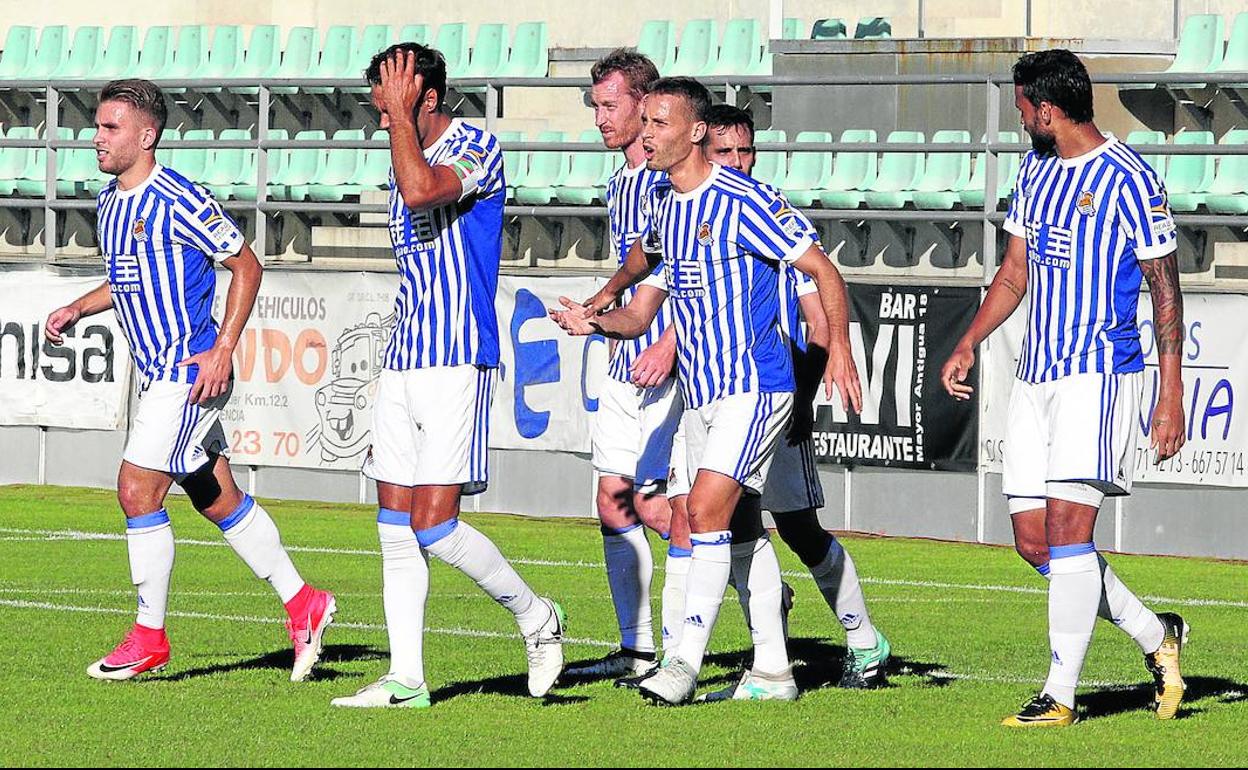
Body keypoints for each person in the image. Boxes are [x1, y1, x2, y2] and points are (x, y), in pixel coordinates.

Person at [551, 77, 862, 705]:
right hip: (703, 393)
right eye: (645, 124)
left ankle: (682, 664)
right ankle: (774, 670)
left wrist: (840, 353)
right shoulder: (665, 205)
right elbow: (642, 301)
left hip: (757, 386)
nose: (646, 134)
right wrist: (598, 315)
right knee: (742, 529)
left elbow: (821, 268)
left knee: (705, 515)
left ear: (694, 131)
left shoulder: (744, 201)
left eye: (658, 123)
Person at [44, 79, 335, 683]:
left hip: (188, 369)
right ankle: (304, 602)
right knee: (216, 497)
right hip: (157, 375)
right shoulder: (109, 201)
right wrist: (78, 307)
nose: (95, 138)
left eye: (109, 128)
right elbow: (128, 280)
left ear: (146, 136)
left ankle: (149, 634)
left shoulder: (178, 197)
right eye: (97, 126)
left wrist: (224, 348)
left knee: (135, 490)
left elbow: (245, 264)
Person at [940, 49, 1188, 726]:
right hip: (1034, 378)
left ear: (1047, 110)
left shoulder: (1130, 179)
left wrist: (1171, 393)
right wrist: (970, 339)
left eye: (1022, 107)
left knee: (1069, 532)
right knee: (1034, 541)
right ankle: (1157, 637)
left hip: (1098, 375)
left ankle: (1059, 696)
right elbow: (1016, 272)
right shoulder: (1035, 168)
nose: (1020, 117)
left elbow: (1166, 290)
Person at [331, 44, 564, 709]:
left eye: (391, 100)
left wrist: (402, 120)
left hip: (456, 355)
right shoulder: (400, 144)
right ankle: (407, 679)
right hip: (404, 356)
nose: (381, 115)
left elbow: (423, 189)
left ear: (426, 96)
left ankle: (535, 615)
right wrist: (400, 122)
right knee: (393, 523)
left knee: (436, 525)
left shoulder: (478, 146)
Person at [694, 105, 890, 699]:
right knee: (715, 519)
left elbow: (818, 318)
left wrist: (803, 395)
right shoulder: (692, 207)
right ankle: (766, 639)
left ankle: (862, 639)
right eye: (726, 153)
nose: (737, 163)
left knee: (800, 528)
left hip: (773, 393)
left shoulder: (770, 214)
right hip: (719, 396)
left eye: (745, 152)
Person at [562, 49, 684, 682]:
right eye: (596, 107)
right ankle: (637, 650)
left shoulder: (674, 179)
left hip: (671, 362)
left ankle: (752, 590)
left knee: (663, 505)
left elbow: (683, 272)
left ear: (646, 103)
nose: (601, 119)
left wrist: (670, 342)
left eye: (611, 106)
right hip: (622, 358)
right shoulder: (619, 182)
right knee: (613, 502)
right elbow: (635, 268)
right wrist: (599, 311)